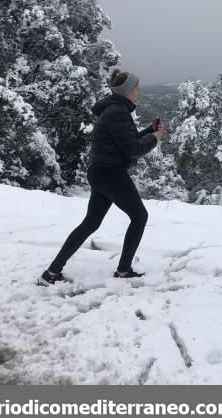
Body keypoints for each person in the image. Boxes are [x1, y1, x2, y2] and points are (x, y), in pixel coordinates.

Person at [39, 69, 164, 285]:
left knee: (90, 223)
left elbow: (127, 140)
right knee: (139, 217)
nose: (139, 91)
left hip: (101, 172)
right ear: (128, 91)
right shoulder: (118, 112)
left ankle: (52, 272)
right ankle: (124, 270)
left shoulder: (115, 110)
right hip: (111, 173)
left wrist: (148, 131)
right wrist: (154, 138)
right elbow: (132, 149)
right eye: (137, 88)